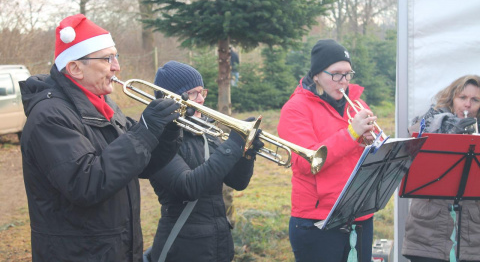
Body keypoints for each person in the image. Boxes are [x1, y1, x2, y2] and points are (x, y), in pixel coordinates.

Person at [19, 14, 182, 262]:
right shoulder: (48, 116)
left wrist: (168, 131)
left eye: (116, 57)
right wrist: (145, 131)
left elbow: (143, 164)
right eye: (108, 58)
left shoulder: (104, 106)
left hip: (116, 248)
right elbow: (86, 183)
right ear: (75, 68)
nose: (117, 67)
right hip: (77, 254)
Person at [146, 61, 263, 262]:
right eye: (193, 93)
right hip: (182, 246)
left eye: (202, 92)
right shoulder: (159, 138)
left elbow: (237, 181)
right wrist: (233, 144)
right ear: (171, 97)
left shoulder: (206, 131)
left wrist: (247, 154)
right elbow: (188, 186)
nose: (200, 99)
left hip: (217, 241)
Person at [277, 39, 376, 262]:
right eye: (336, 74)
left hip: (359, 213)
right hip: (317, 220)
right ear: (316, 75)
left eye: (348, 74)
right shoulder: (295, 109)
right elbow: (306, 162)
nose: (344, 81)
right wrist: (352, 134)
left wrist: (371, 143)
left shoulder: (358, 105)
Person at [402, 75, 480, 262]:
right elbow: (414, 138)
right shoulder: (429, 121)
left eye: (475, 100)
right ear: (452, 99)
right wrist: (450, 130)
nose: (467, 104)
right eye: (462, 98)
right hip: (428, 235)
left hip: (472, 237)